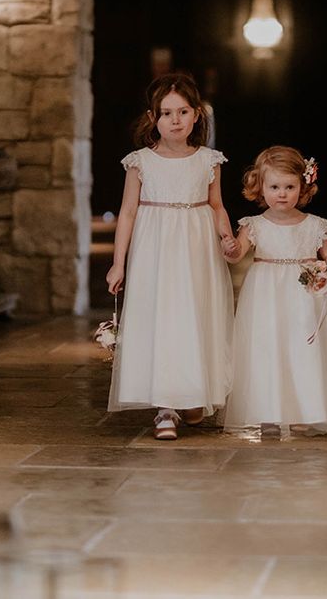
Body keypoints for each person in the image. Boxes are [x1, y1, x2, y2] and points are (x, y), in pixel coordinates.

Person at [105, 73, 236, 440]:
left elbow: (217, 206)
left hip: (196, 249)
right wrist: (119, 262)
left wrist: (226, 238)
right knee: (160, 317)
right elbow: (128, 212)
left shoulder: (209, 160)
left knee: (193, 316)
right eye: (166, 113)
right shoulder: (141, 162)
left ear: (196, 114)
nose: (174, 120)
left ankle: (191, 391)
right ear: (153, 117)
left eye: (182, 112)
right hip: (155, 249)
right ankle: (165, 406)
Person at [221, 146, 327, 437]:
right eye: (274, 187)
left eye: (289, 187)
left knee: (302, 348)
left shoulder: (314, 225)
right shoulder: (253, 225)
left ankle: (304, 410)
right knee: (268, 347)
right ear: (260, 187)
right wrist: (231, 248)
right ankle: (268, 409)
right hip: (265, 296)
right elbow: (238, 253)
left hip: (303, 295)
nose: (281, 193)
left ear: (303, 186)